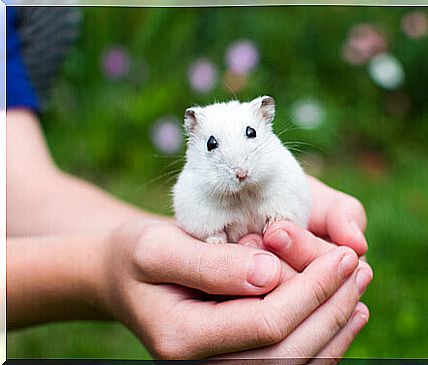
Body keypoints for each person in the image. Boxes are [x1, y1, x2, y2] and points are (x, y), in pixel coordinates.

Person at [6, 7, 373, 361]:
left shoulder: (281, 165)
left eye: (250, 135)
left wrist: (153, 256)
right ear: (193, 132)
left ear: (266, 118)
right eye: (213, 146)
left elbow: (14, 180)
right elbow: (191, 211)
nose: (239, 169)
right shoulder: (193, 181)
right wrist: (106, 270)